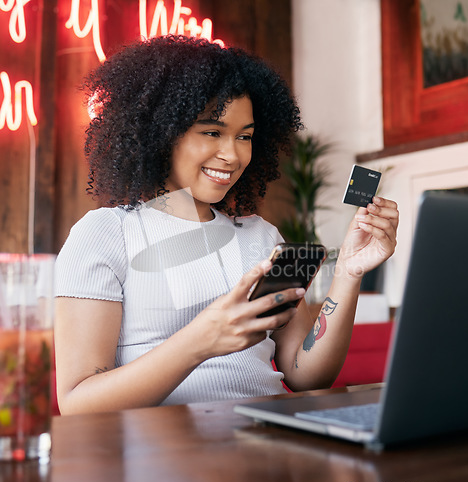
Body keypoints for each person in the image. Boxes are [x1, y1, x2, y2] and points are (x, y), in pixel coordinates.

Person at [54, 35, 399, 414]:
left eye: (245, 137)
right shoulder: (106, 234)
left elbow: (306, 376)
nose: (232, 154)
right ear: (161, 132)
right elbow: (78, 403)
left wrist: (349, 272)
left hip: (269, 443)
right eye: (212, 132)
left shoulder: (261, 236)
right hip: (165, 455)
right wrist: (203, 340)